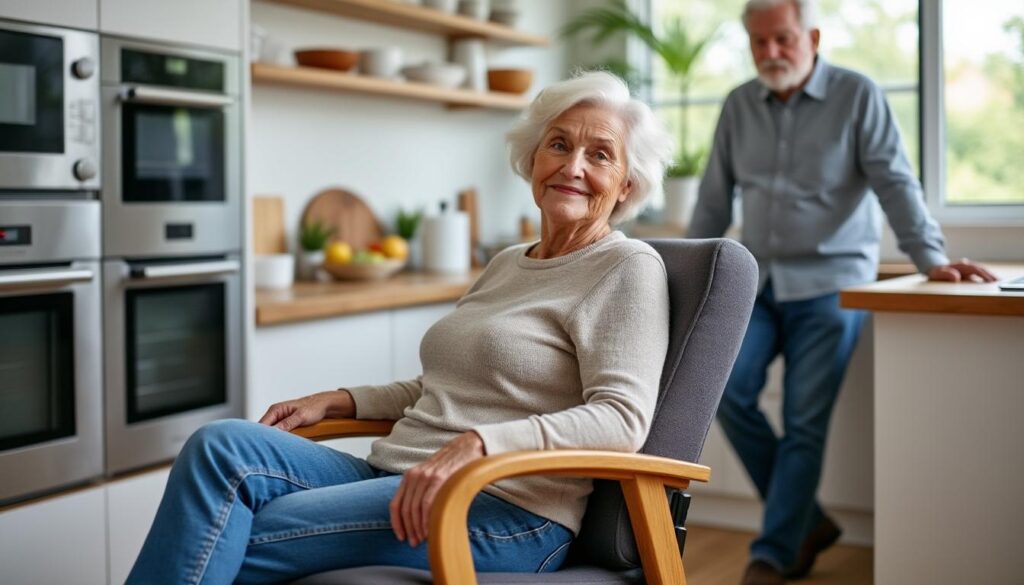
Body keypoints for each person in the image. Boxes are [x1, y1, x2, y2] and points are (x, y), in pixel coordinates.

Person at [126, 71, 675, 585]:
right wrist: (341, 400)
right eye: (558, 144)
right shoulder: (509, 262)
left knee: (231, 532)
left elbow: (621, 418)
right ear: (533, 158)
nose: (572, 166)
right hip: (396, 473)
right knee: (218, 445)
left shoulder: (626, 268)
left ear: (626, 184)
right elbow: (446, 387)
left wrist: (481, 444)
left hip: (506, 509)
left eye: (600, 155)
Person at [687, 1, 997, 584]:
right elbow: (712, 200)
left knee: (804, 420)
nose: (770, 53)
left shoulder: (858, 95)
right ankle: (809, 522)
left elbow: (895, 181)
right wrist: (684, 276)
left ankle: (776, 551)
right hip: (759, 282)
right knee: (722, 389)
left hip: (832, 284)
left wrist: (932, 259)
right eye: (758, 42)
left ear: (812, 37)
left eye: (782, 38)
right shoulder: (737, 104)